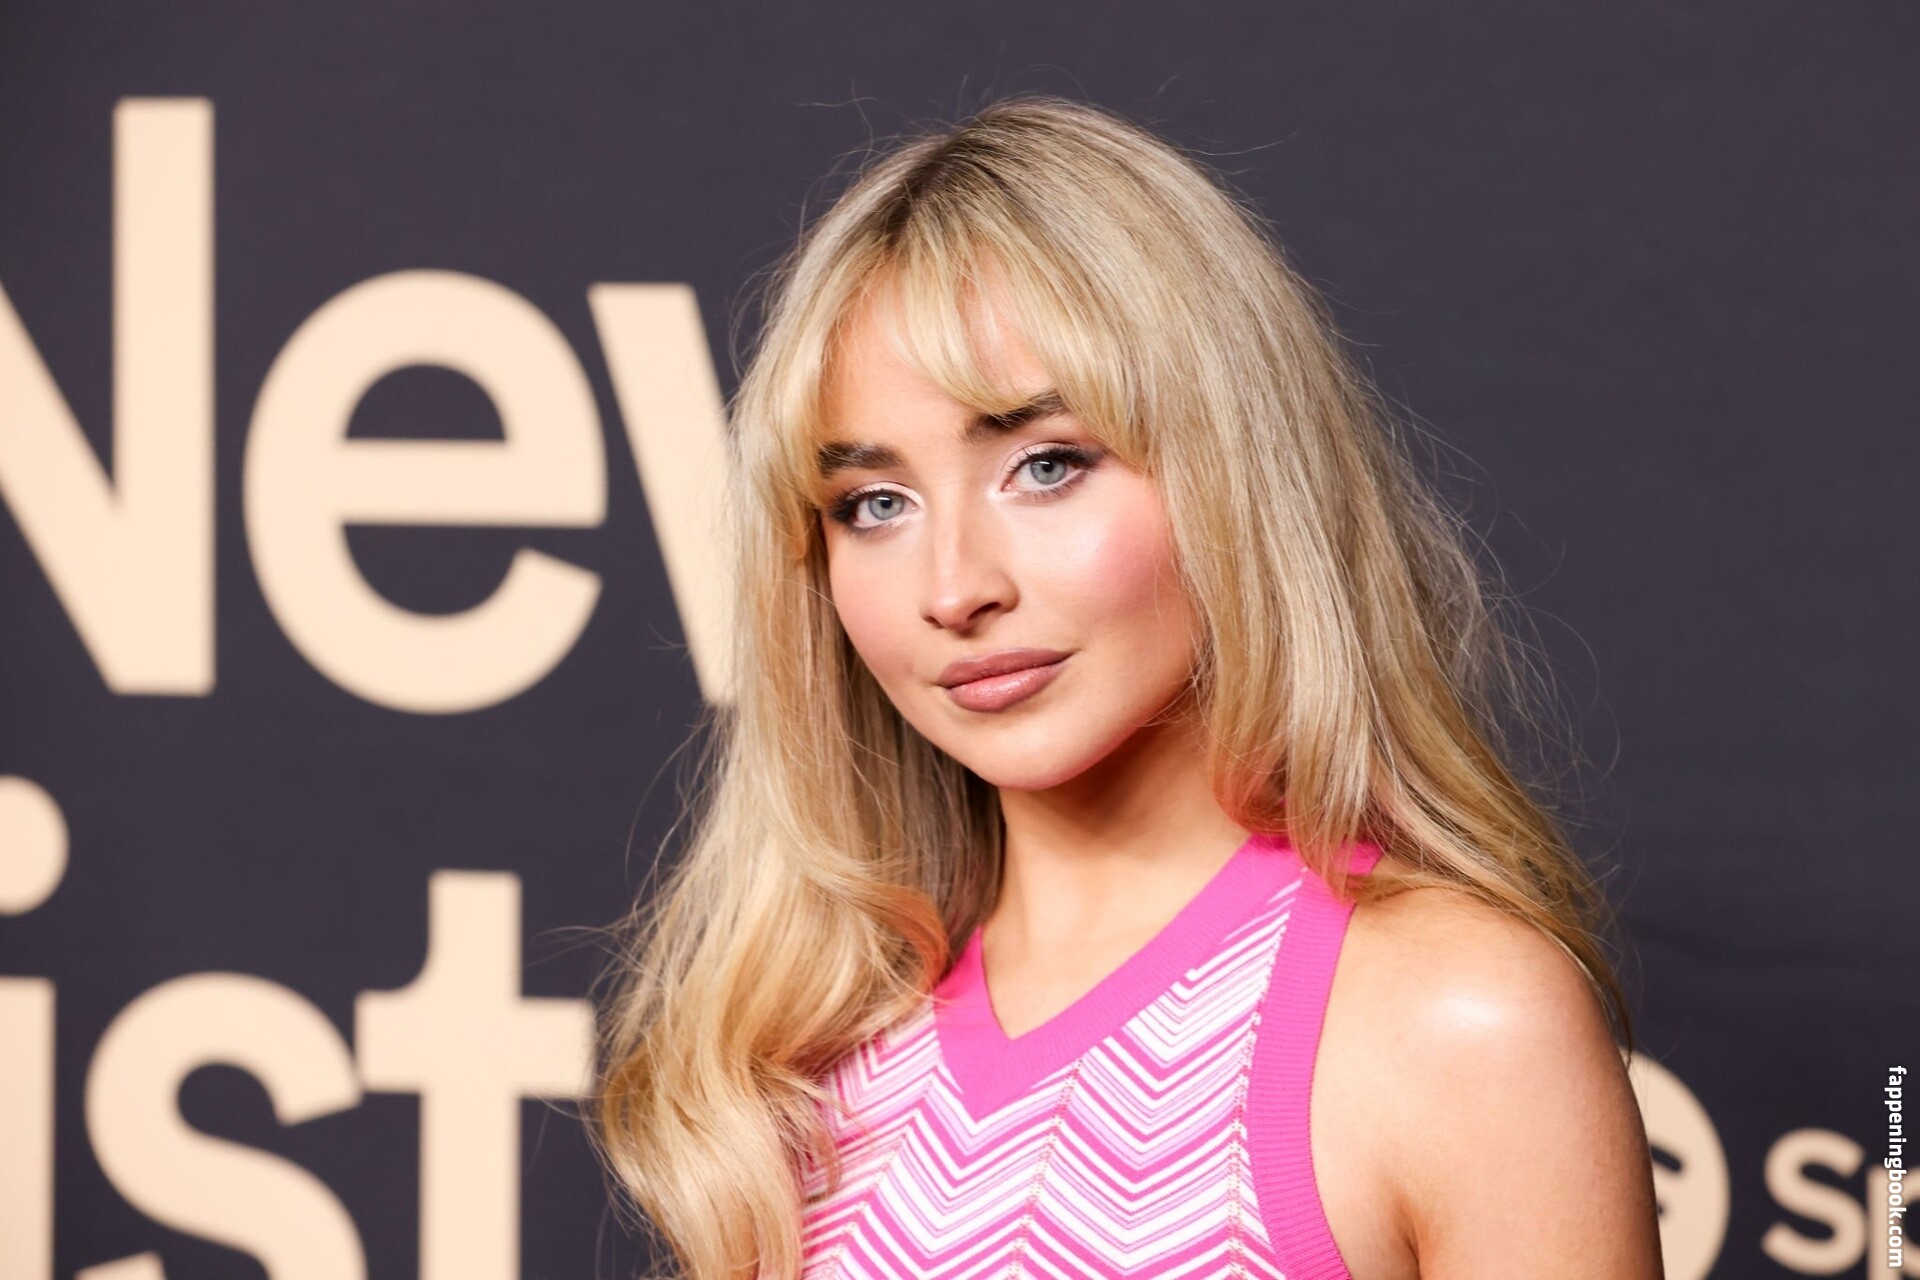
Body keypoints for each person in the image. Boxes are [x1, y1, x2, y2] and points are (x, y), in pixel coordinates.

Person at [591, 94, 1663, 1280]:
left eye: (1047, 464)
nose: (954, 587)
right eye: (874, 504)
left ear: (1234, 468)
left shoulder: (1455, 1023)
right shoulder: (810, 1053)